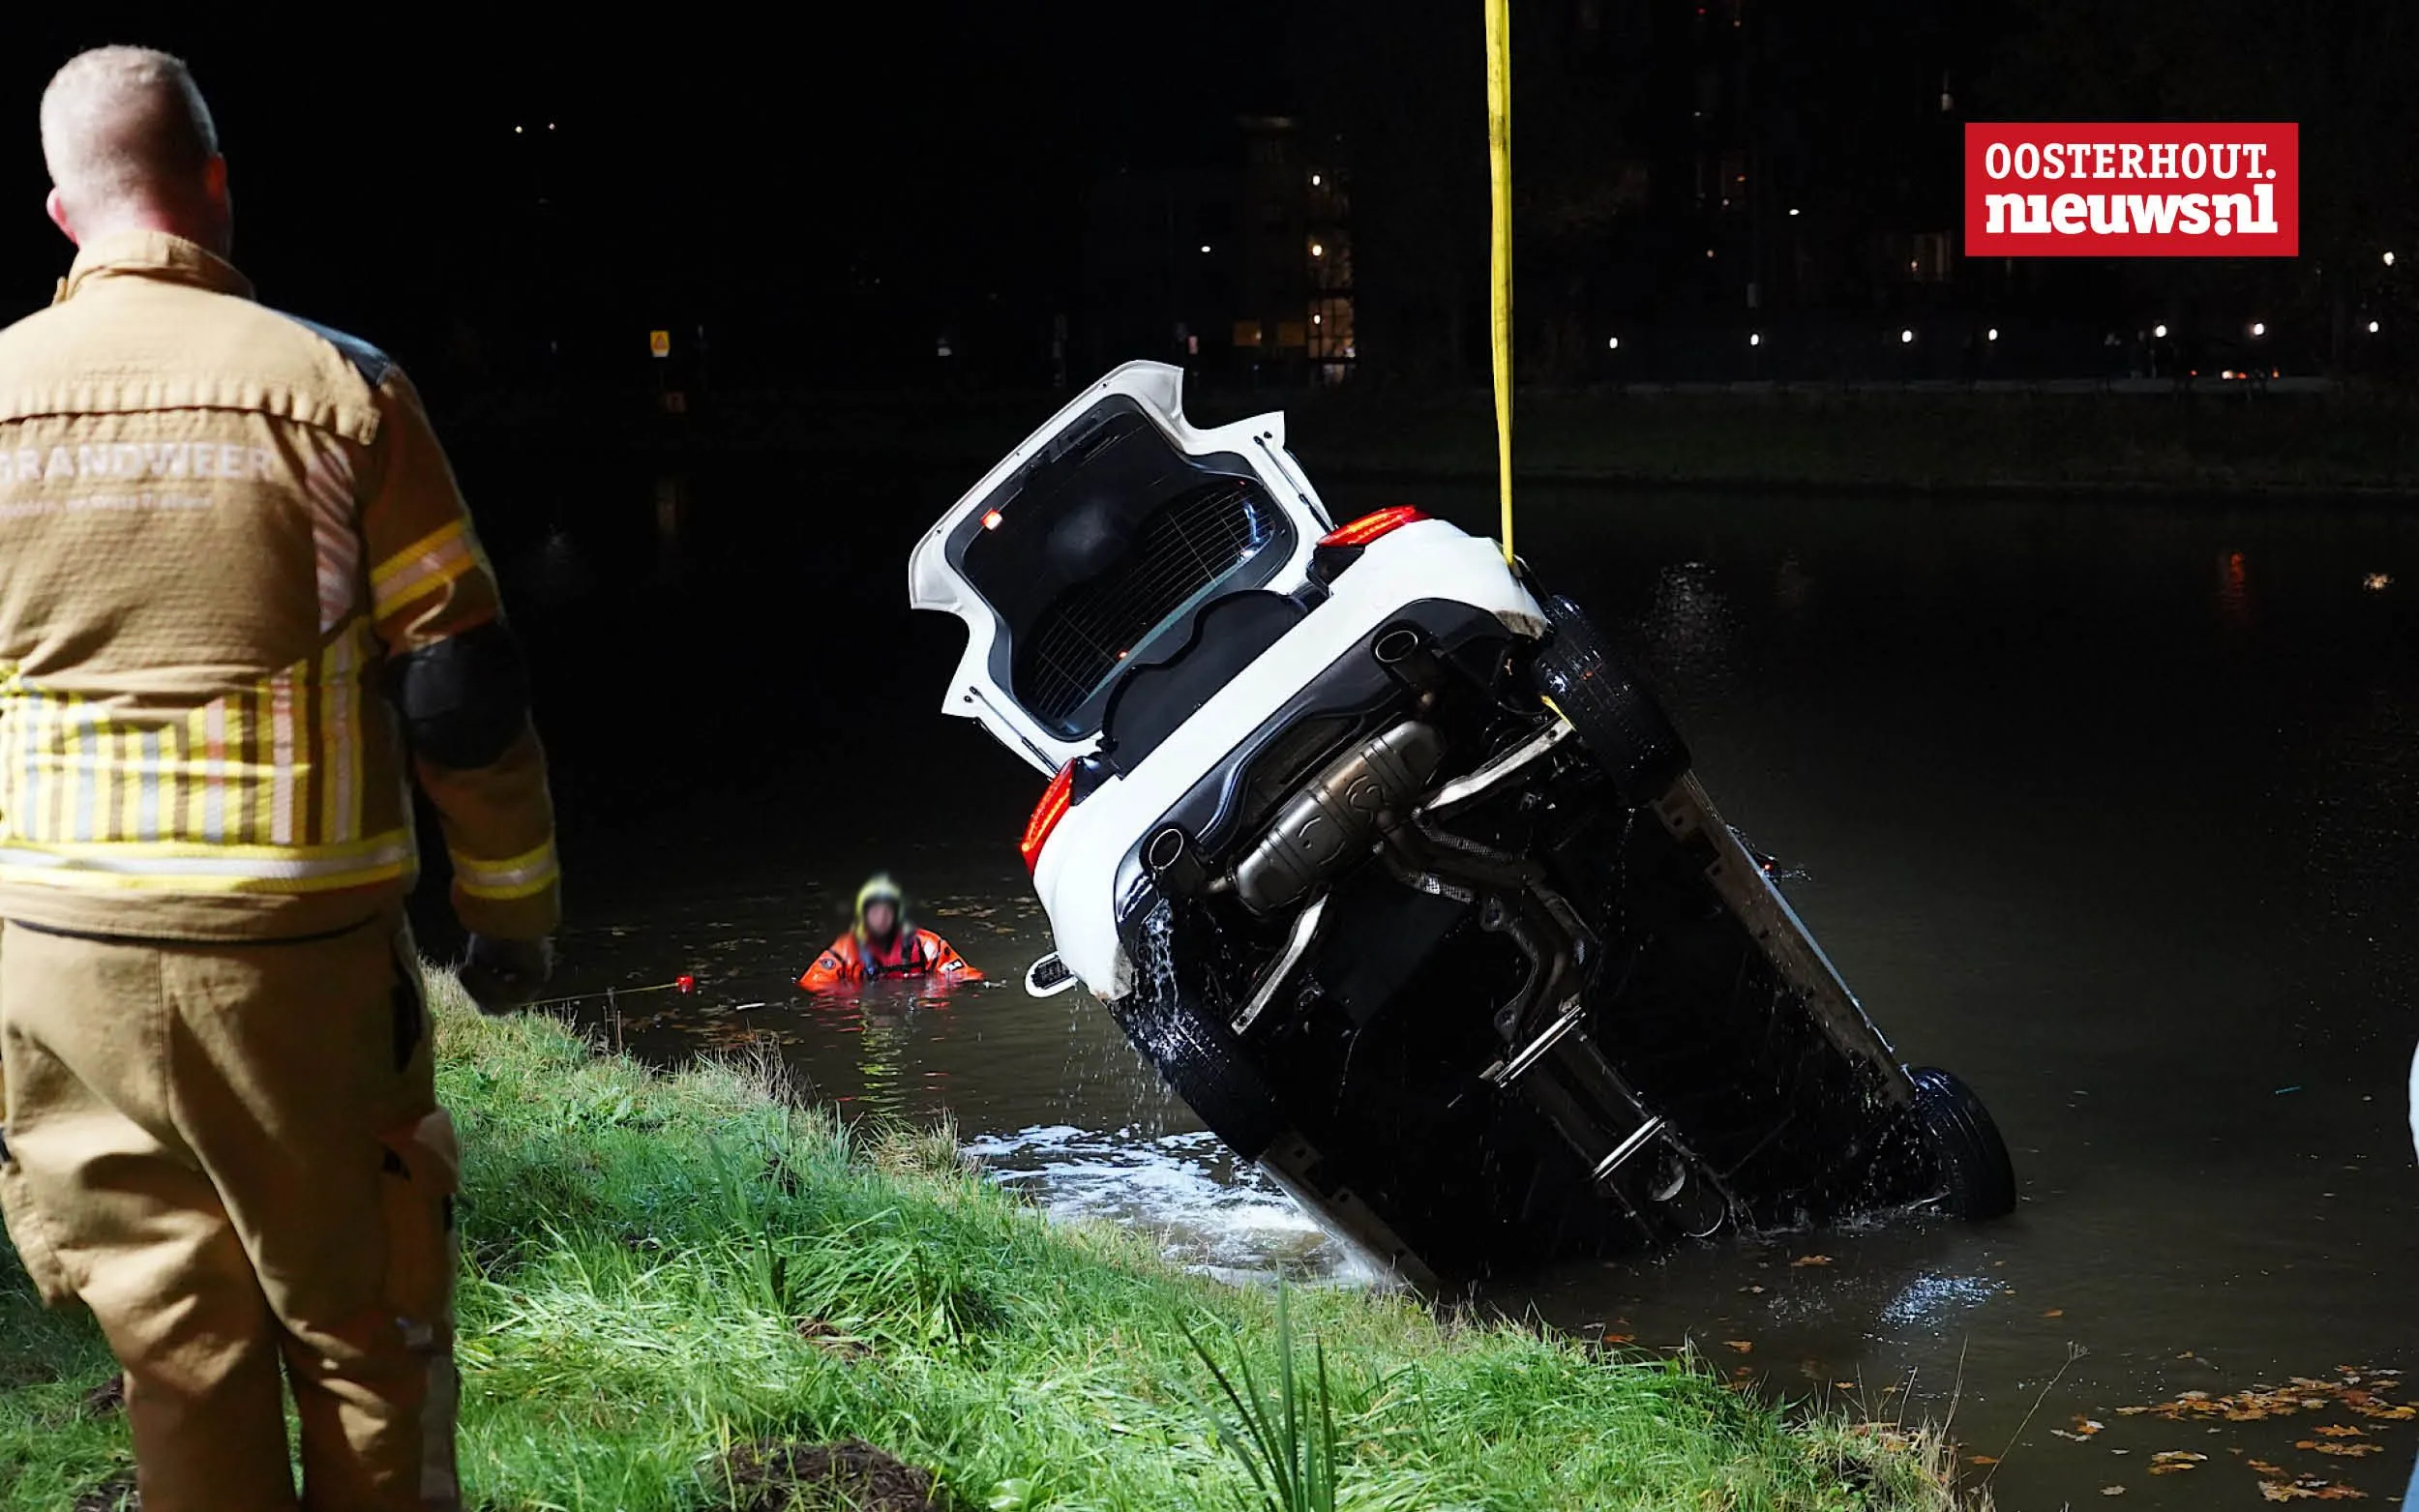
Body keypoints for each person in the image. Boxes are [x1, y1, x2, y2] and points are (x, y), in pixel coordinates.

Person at [0, 47, 558, 1512]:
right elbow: (459, 682)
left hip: (63, 957)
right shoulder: (341, 390)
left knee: (176, 1357)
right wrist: (511, 908)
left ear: (65, 212)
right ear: (218, 183)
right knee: (364, 1335)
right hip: (296, 957)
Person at [799, 875, 982, 990]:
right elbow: (813, 983)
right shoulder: (846, 950)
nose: (881, 918)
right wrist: (848, 994)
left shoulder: (927, 945)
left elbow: (964, 975)